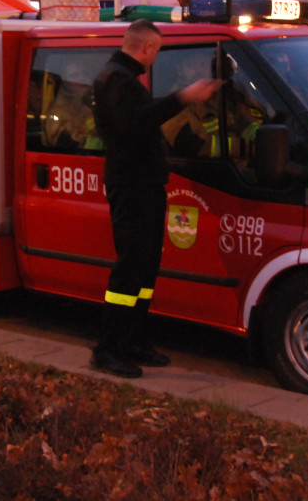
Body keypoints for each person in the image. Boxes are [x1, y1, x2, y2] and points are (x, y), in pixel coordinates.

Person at [91, 19, 221, 378]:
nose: (155, 57)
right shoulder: (117, 79)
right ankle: (108, 349)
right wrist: (184, 97)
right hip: (131, 186)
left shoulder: (122, 78)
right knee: (130, 269)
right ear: (147, 48)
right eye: (157, 50)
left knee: (146, 267)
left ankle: (133, 341)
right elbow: (138, 121)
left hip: (144, 185)